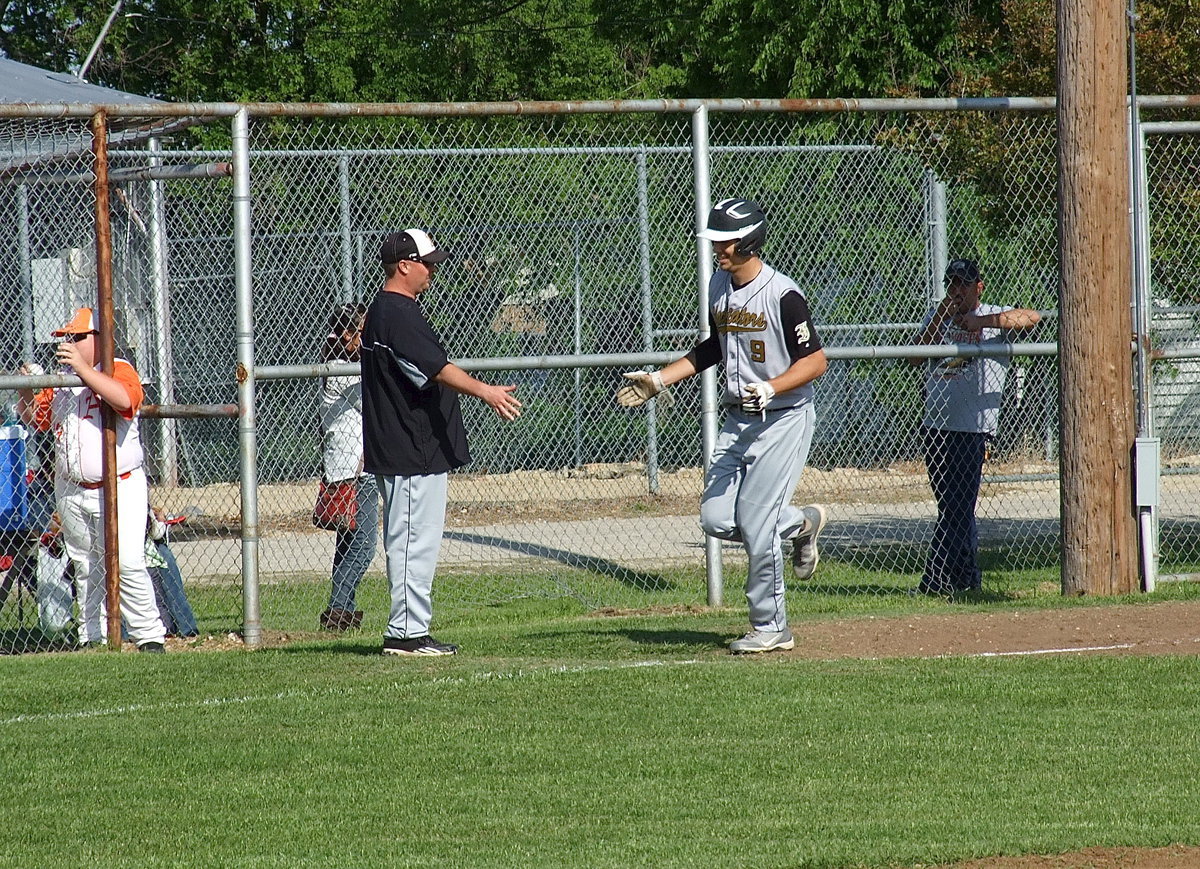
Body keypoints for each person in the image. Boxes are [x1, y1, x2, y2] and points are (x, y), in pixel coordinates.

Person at [617, 197, 828, 655]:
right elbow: (715, 347)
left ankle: (771, 626)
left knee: (755, 522)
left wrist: (772, 387)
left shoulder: (783, 294)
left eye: (725, 240)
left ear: (750, 241)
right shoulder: (718, 284)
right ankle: (800, 524)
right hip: (737, 419)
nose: (717, 248)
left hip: (782, 418)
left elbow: (815, 361)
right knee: (715, 518)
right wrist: (658, 379)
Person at [361, 228, 522, 656]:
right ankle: (407, 633)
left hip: (410, 446)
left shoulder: (390, 310)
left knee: (411, 538)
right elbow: (433, 368)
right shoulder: (396, 312)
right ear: (404, 265)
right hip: (411, 447)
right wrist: (486, 391)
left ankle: (408, 629)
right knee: (414, 539)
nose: (433, 270)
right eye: (427, 263)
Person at [16, 307, 168, 652]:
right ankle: (92, 635)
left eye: (77, 337)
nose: (68, 344)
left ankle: (149, 636)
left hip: (120, 485)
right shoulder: (64, 379)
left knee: (127, 561)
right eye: (66, 338)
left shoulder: (118, 368)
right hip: (70, 487)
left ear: (100, 339)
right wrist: (27, 390)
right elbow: (36, 419)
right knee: (86, 565)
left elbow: (126, 399)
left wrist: (83, 370)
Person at [909, 258, 1042, 594]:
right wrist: (941, 317)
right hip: (936, 425)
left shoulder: (994, 315)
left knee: (956, 505)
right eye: (951, 283)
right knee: (953, 507)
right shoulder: (937, 317)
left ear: (978, 287)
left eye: (963, 284)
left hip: (973, 429)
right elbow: (913, 357)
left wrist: (979, 321)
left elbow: (1032, 317)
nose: (956, 290)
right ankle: (967, 578)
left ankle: (935, 580)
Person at [316, 301, 377, 632]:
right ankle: (337, 611)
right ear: (344, 333)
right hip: (354, 471)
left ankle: (344, 610)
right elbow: (376, 393)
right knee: (364, 547)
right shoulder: (342, 368)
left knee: (347, 547)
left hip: (346, 467)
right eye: (360, 330)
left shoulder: (346, 361)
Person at [145, 507, 199, 638]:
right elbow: (157, 533)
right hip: (151, 558)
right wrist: (160, 520)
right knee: (166, 593)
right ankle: (186, 629)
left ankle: (171, 628)